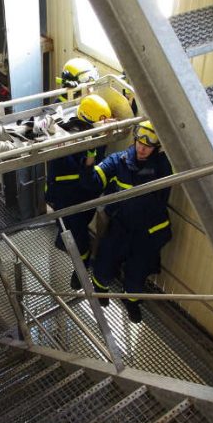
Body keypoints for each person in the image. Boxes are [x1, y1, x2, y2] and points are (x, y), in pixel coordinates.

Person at [80, 121, 172, 323]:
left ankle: (132, 302)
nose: (141, 148)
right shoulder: (119, 161)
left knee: (138, 271)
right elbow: (93, 181)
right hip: (121, 225)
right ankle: (100, 291)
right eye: (139, 142)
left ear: (157, 148)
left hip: (147, 231)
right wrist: (90, 154)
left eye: (148, 146)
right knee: (105, 261)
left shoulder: (162, 167)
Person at [46, 94, 111, 289]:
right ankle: (74, 254)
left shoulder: (90, 135)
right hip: (64, 195)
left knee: (78, 236)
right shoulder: (69, 132)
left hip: (80, 197)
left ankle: (81, 266)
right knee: (68, 228)